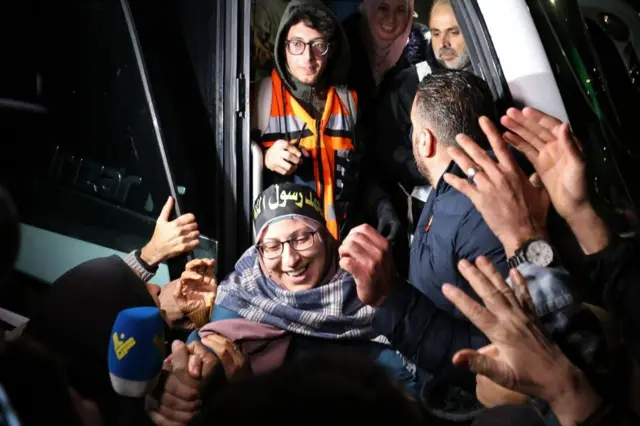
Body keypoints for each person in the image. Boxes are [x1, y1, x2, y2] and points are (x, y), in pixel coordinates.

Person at [252, 0, 400, 242]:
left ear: (331, 49)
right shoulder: (261, 98)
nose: (308, 57)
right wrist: (264, 159)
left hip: (337, 245)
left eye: (318, 45)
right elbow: (230, 169)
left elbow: (359, 173)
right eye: (297, 44)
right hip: (287, 251)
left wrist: (382, 205)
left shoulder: (348, 102)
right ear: (283, 47)